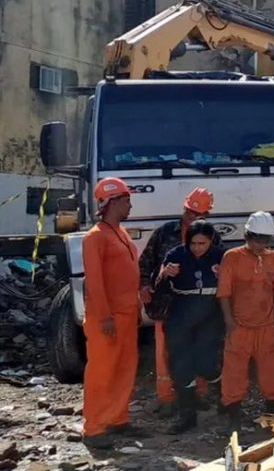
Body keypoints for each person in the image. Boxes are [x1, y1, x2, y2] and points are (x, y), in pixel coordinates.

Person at [81, 178, 149, 449]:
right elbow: (94, 281)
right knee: (102, 372)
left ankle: (118, 419)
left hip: (126, 315)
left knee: (125, 368)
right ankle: (94, 429)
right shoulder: (95, 237)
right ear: (112, 202)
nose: (130, 205)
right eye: (126, 200)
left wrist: (136, 307)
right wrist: (104, 316)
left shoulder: (120, 233)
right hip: (106, 318)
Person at [139, 187, 217, 416]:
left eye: (198, 214)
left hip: (198, 306)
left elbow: (221, 264)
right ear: (184, 208)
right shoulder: (165, 233)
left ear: (206, 215)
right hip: (166, 303)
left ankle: (196, 396)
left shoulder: (211, 236)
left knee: (197, 349)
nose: (192, 217)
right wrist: (144, 284)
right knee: (165, 351)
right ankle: (167, 398)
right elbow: (146, 260)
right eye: (190, 212)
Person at [218, 212, 274, 433]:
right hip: (240, 327)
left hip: (267, 326)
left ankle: (271, 419)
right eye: (259, 240)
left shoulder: (273, 259)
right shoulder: (232, 257)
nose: (262, 245)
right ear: (248, 236)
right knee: (234, 374)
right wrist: (229, 321)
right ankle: (233, 422)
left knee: (272, 373)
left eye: (266, 240)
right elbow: (224, 292)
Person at [157, 220, 225, 434]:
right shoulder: (176, 255)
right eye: (193, 243)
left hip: (210, 315)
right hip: (181, 316)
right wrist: (164, 275)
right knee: (181, 366)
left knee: (206, 364)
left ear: (211, 241)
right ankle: (187, 415)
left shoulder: (222, 256)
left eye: (202, 243)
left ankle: (225, 396)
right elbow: (159, 287)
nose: (197, 248)